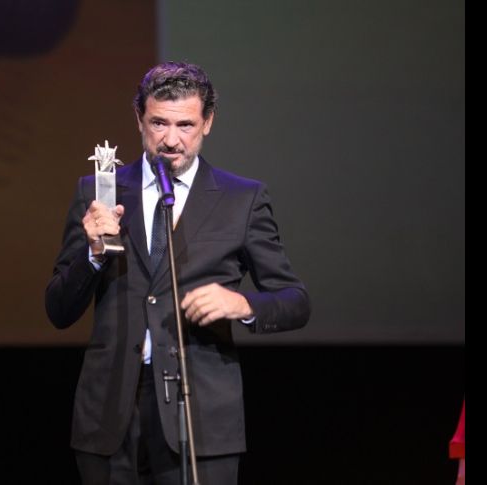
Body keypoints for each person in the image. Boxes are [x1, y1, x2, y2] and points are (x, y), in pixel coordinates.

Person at [45, 61, 310, 484]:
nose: (171, 140)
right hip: (109, 413)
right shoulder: (99, 190)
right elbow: (58, 309)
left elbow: (294, 301)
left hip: (200, 414)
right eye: (158, 124)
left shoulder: (242, 199)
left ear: (207, 122)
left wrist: (241, 304)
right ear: (139, 120)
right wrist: (93, 254)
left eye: (185, 125)